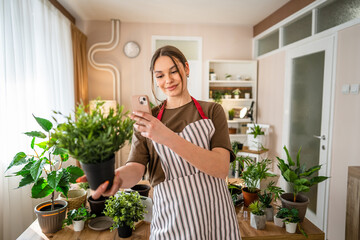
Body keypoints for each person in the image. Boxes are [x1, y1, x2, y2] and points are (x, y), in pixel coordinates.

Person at [78, 45, 241, 239]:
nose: (168, 80)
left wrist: (166, 136)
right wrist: (117, 178)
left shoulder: (212, 111)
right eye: (160, 75)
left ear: (186, 69)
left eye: (173, 71)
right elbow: (136, 169)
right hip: (171, 221)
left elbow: (221, 168)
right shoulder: (148, 120)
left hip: (215, 218)